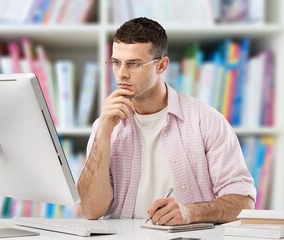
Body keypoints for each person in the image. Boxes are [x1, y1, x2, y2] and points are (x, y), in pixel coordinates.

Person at [77, 17, 256, 225]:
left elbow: (243, 203)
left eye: (134, 64)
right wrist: (104, 132)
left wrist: (191, 213)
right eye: (116, 63)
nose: (122, 74)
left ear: (161, 66)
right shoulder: (104, 126)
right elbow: (90, 210)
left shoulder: (206, 121)